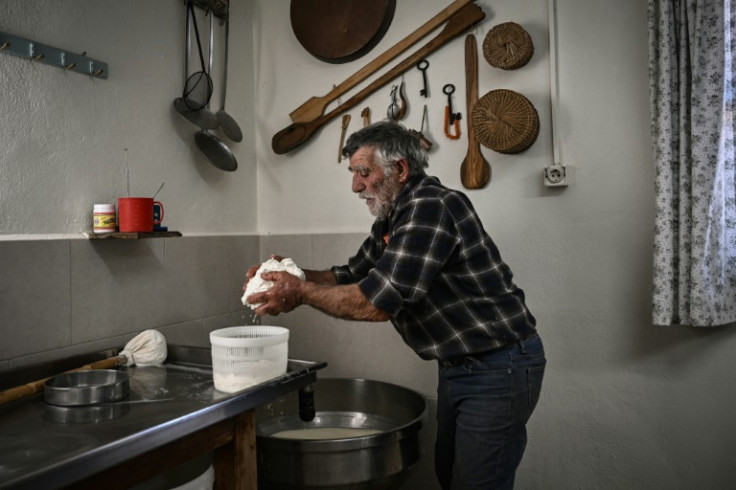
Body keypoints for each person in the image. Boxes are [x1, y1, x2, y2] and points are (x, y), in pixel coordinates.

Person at [243, 121, 546, 489]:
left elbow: (375, 303)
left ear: (400, 169)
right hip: (462, 365)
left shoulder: (431, 207)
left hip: (499, 366)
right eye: (355, 173)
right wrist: (287, 272)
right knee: (450, 475)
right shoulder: (394, 216)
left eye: (363, 172)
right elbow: (350, 275)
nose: (355, 186)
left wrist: (300, 292)